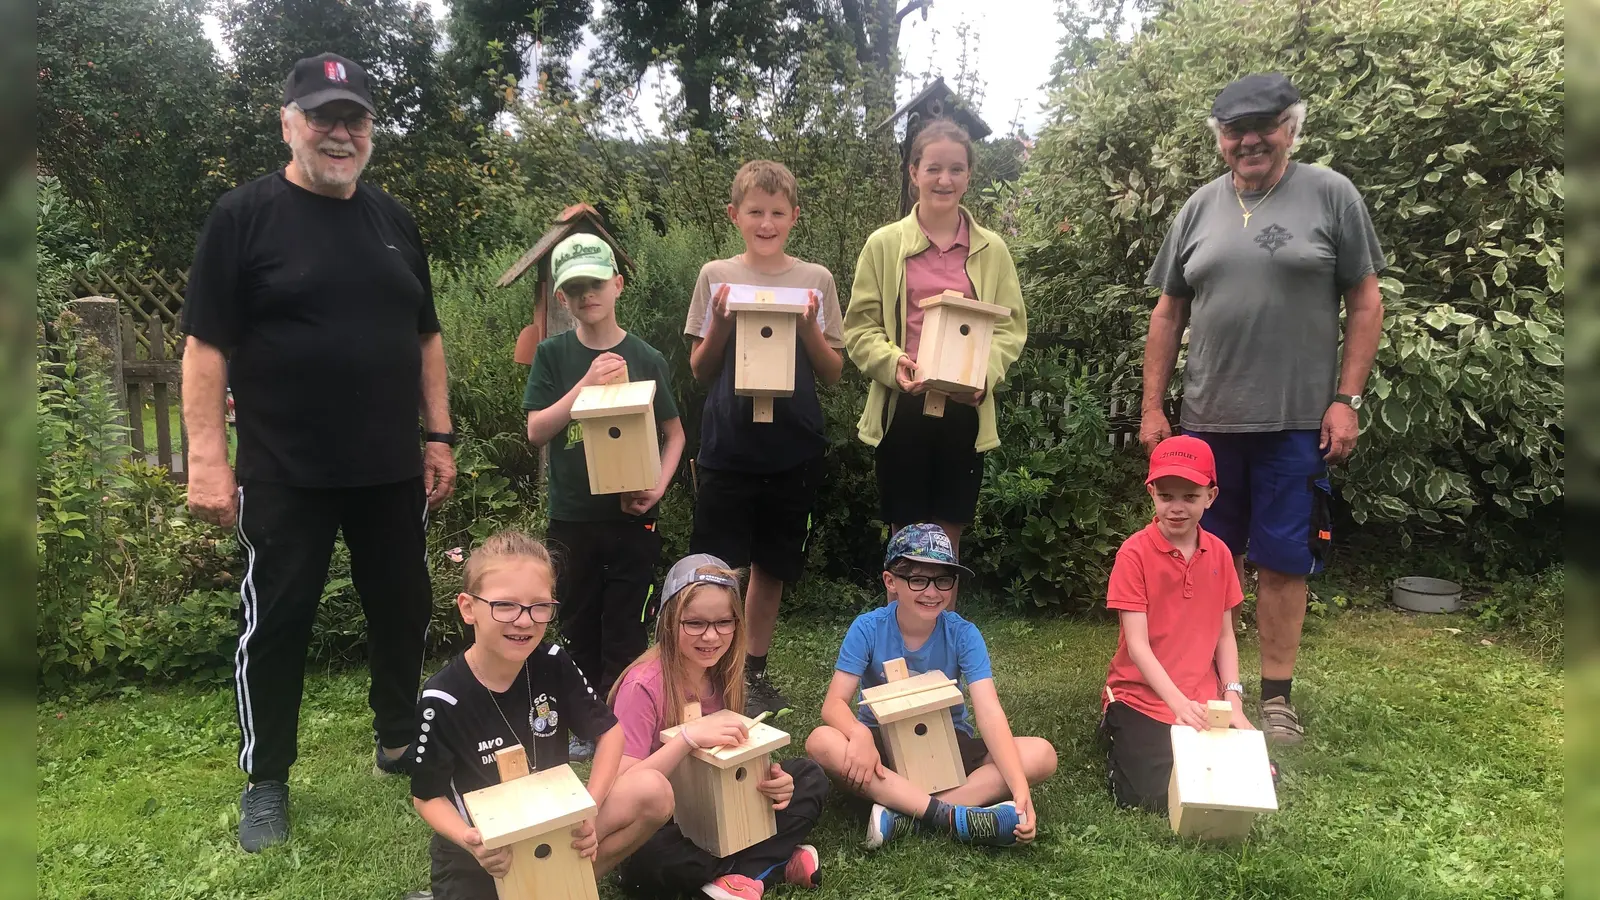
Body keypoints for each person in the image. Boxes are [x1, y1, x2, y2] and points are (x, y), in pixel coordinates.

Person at [179, 52, 457, 852]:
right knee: (277, 623)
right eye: (323, 117)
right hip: (284, 471)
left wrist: (439, 435)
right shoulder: (243, 217)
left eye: (354, 119)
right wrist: (208, 459)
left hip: (389, 467)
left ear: (369, 130)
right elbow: (205, 346)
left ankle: (398, 740)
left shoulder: (394, 220)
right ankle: (266, 779)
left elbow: (426, 337)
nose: (341, 133)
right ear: (288, 124)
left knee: (403, 608)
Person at [1138, 73, 1386, 746]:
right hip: (1207, 425)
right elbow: (1168, 313)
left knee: (1282, 563)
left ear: (1290, 129)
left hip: (1297, 423)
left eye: (1264, 127)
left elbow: (1366, 302)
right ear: (1220, 139)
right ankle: (1200, 687)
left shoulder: (1331, 195)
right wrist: (1153, 407)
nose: (1249, 141)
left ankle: (1275, 699)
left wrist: (1346, 400)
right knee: (1195, 560)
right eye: (1234, 131)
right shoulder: (1198, 208)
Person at [408, 531, 674, 900]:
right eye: (505, 605)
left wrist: (589, 809)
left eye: (540, 606)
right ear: (468, 608)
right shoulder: (443, 697)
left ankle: (565, 885)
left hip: (556, 830)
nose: (524, 621)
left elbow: (610, 733)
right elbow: (427, 797)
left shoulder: (553, 662)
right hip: (487, 858)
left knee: (653, 793)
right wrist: (471, 841)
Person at [684, 160, 845, 719]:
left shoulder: (816, 280)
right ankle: (709, 673)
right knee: (716, 567)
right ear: (735, 215)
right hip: (728, 444)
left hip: (793, 446)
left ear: (795, 216)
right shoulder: (716, 276)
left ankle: (753, 670)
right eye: (755, 211)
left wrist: (807, 325)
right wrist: (723, 321)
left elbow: (833, 371)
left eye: (778, 212)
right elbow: (699, 368)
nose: (766, 222)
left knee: (772, 567)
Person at [524, 232, 687, 761]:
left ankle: (622, 723)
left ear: (617, 285)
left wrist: (657, 487)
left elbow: (674, 434)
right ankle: (584, 722)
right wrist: (586, 385)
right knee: (577, 620)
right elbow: (536, 430)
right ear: (562, 298)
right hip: (573, 518)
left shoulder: (646, 357)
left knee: (626, 624)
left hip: (631, 519)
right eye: (575, 288)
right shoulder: (553, 355)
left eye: (596, 283)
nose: (587, 295)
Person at [804, 524, 1056, 849]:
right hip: (881, 750)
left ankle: (907, 814)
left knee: (1041, 754)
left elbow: (989, 711)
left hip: (950, 745)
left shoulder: (963, 634)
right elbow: (833, 704)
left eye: (943, 580)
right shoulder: (868, 628)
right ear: (890, 581)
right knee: (821, 741)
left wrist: (1020, 787)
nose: (932, 592)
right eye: (918, 580)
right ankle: (951, 814)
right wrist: (859, 734)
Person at [842, 120, 1027, 559]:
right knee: (905, 542)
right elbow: (860, 328)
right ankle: (899, 608)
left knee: (947, 545)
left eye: (956, 169)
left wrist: (983, 376)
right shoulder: (884, 245)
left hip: (965, 410)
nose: (945, 179)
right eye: (934, 168)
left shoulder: (993, 250)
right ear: (914, 173)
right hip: (901, 408)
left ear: (969, 175)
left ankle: (943, 609)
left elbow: (1010, 327)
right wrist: (893, 364)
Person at [611, 555, 828, 899]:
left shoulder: (724, 674)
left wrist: (773, 780)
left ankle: (736, 878)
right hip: (669, 821)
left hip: (722, 809)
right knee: (653, 858)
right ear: (669, 621)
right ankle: (767, 865)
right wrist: (686, 739)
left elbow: (736, 756)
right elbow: (621, 787)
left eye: (724, 622)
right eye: (695, 623)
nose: (711, 636)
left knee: (808, 777)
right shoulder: (643, 686)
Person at [1099, 436, 1255, 811]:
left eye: (1190, 496)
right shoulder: (1134, 554)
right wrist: (1178, 705)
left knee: (1243, 781)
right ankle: (1115, 732)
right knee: (1149, 795)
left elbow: (1225, 636)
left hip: (1203, 697)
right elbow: (1137, 646)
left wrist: (1233, 700)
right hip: (1141, 696)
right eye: (1167, 496)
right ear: (1152, 493)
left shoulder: (1220, 553)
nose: (1177, 507)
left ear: (1210, 497)